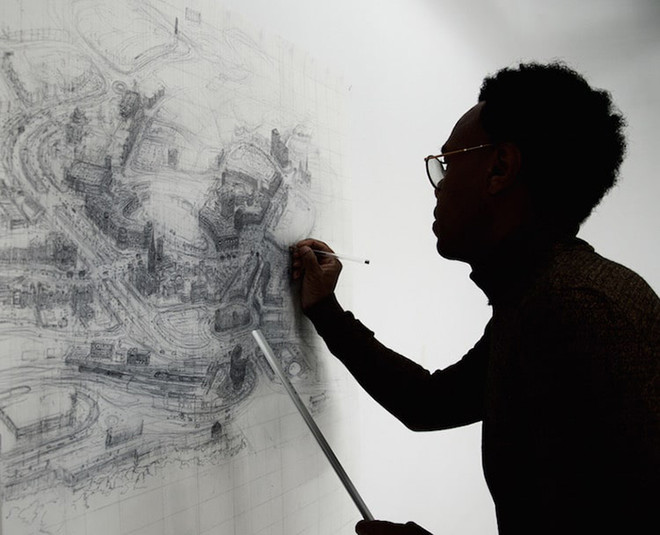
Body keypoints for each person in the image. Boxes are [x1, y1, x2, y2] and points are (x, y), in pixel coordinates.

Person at [291, 62, 660, 535]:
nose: (440, 185)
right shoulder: (540, 297)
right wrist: (325, 310)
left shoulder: (574, 309)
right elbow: (431, 403)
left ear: (500, 168)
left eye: (448, 163)